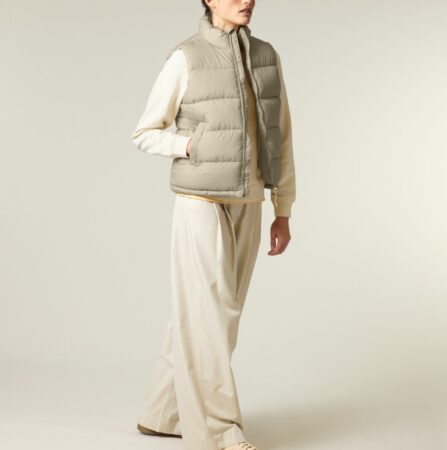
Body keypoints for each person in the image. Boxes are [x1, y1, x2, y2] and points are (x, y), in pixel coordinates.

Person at [130, 1, 296, 449]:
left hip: (249, 199)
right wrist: (189, 146)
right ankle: (219, 433)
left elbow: (281, 136)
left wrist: (282, 207)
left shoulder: (266, 55)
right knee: (212, 314)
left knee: (208, 315)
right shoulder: (186, 57)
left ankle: (163, 414)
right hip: (200, 200)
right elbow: (145, 132)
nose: (247, 0)